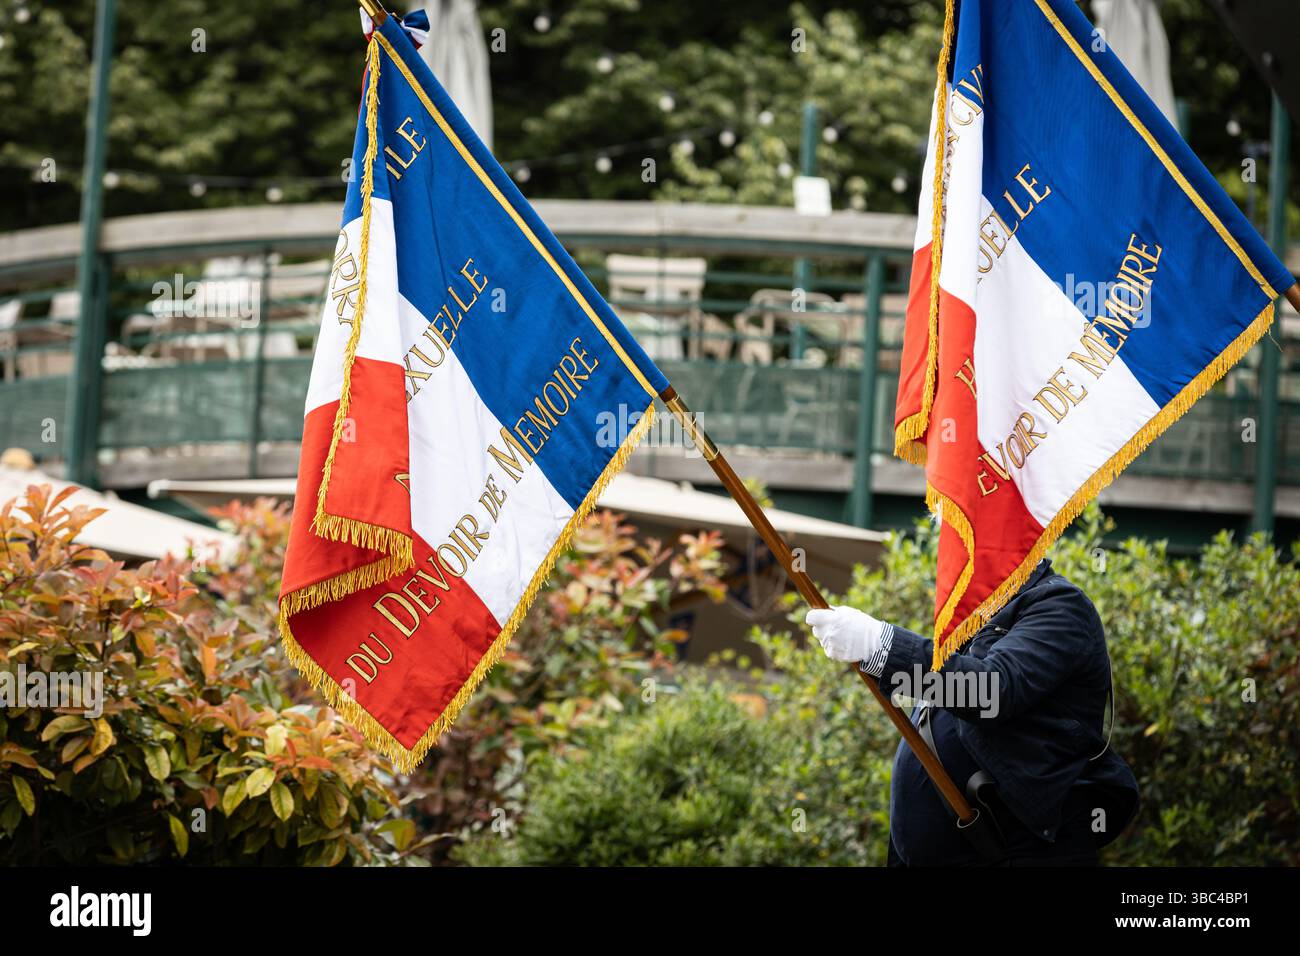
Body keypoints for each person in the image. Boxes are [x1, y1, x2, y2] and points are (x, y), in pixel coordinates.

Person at [807, 557, 1138, 866]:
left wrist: (880, 644)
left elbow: (989, 694)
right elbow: (944, 690)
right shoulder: (973, 612)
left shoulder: (1062, 607)